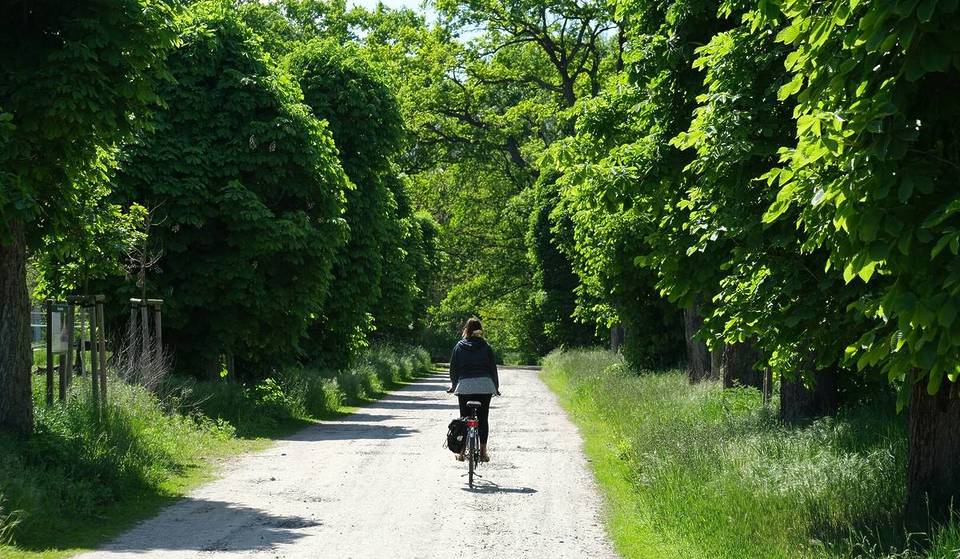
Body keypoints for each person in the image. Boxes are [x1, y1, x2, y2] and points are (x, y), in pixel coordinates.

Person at [447, 316, 499, 462]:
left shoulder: (459, 346)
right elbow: (492, 369)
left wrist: (453, 385)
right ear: (480, 330)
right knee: (483, 418)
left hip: (465, 386)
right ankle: (483, 453)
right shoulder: (486, 347)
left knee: (464, 418)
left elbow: (453, 369)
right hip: (485, 385)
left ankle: (462, 452)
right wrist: (496, 387)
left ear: (466, 330)